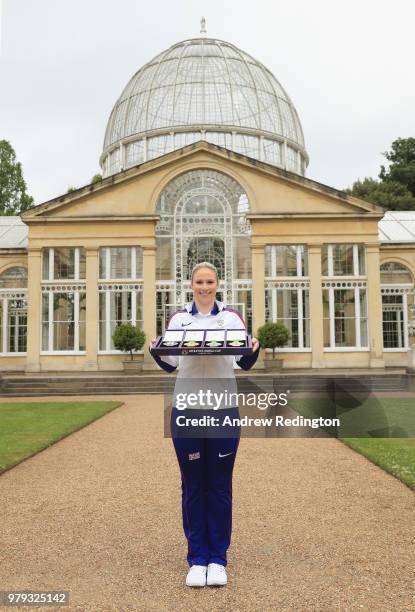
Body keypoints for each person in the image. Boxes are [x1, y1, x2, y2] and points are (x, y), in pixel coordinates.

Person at [149, 262, 260, 587]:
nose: (204, 286)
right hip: (186, 410)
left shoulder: (232, 318)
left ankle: (218, 559)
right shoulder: (179, 319)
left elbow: (244, 360)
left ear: (217, 283)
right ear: (191, 284)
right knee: (193, 485)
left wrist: (255, 350)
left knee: (220, 485)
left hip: (223, 409)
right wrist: (154, 349)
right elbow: (170, 364)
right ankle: (197, 559)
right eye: (199, 281)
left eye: (210, 281)